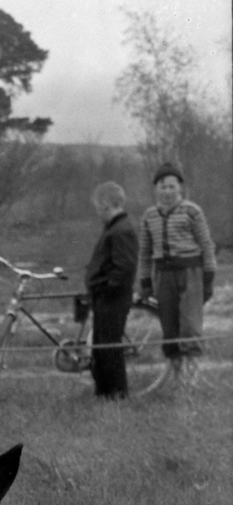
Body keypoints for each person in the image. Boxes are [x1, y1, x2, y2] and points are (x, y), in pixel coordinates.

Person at [137, 162, 216, 384]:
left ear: (180, 187)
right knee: (169, 327)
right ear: (156, 189)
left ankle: (191, 378)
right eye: (163, 187)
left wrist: (208, 278)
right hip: (164, 276)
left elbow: (207, 246)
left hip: (191, 274)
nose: (167, 192)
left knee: (190, 326)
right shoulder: (149, 216)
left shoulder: (192, 211)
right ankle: (175, 375)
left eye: (172, 187)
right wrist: (145, 281)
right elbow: (145, 252)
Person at [84, 182, 139, 398]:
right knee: (101, 348)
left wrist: (107, 288)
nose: (98, 212)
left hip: (112, 298)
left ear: (106, 205)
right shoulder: (114, 228)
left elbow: (124, 268)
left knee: (110, 348)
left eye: (98, 207)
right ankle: (104, 394)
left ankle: (117, 395)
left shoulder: (121, 231)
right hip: (105, 297)